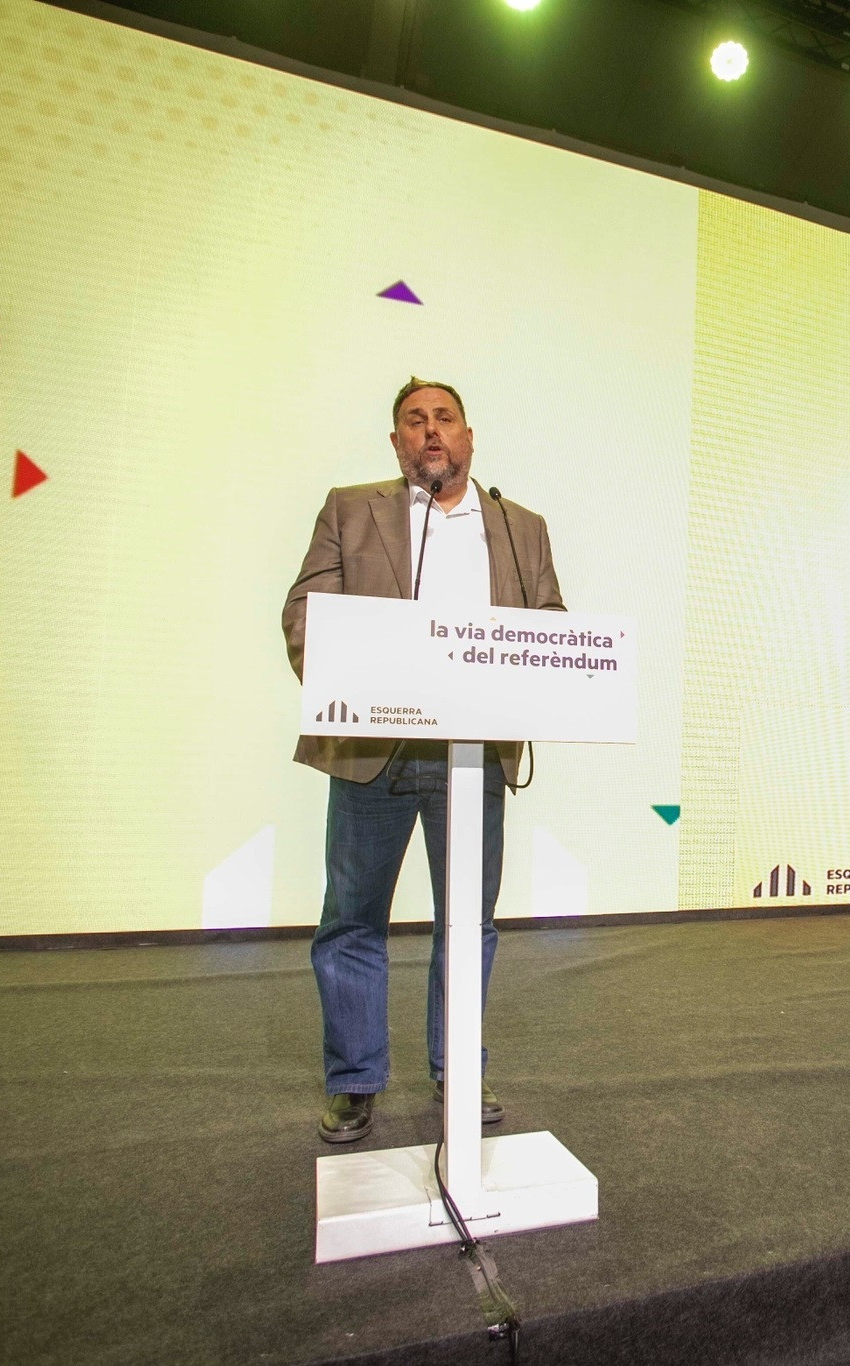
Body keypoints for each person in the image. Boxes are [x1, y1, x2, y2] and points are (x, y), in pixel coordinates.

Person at [282, 377, 564, 1144]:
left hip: (472, 758)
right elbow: (304, 613)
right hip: (374, 749)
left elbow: (550, 625)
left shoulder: (518, 527)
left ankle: (458, 1072)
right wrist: (360, 685)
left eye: (445, 419)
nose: (430, 432)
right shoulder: (351, 508)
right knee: (352, 920)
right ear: (396, 442)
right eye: (414, 421)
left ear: (469, 438)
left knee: (468, 922)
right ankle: (354, 1080)